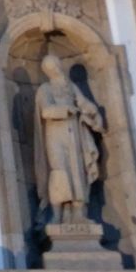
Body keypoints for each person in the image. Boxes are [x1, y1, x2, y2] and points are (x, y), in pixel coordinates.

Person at [33, 53, 103, 224]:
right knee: (59, 170)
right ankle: (57, 214)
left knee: (77, 170)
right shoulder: (45, 89)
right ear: (47, 71)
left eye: (56, 65)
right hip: (55, 135)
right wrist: (66, 109)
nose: (55, 70)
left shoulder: (70, 87)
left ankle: (78, 214)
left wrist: (91, 109)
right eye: (51, 68)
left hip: (74, 133)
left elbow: (83, 102)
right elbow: (46, 111)